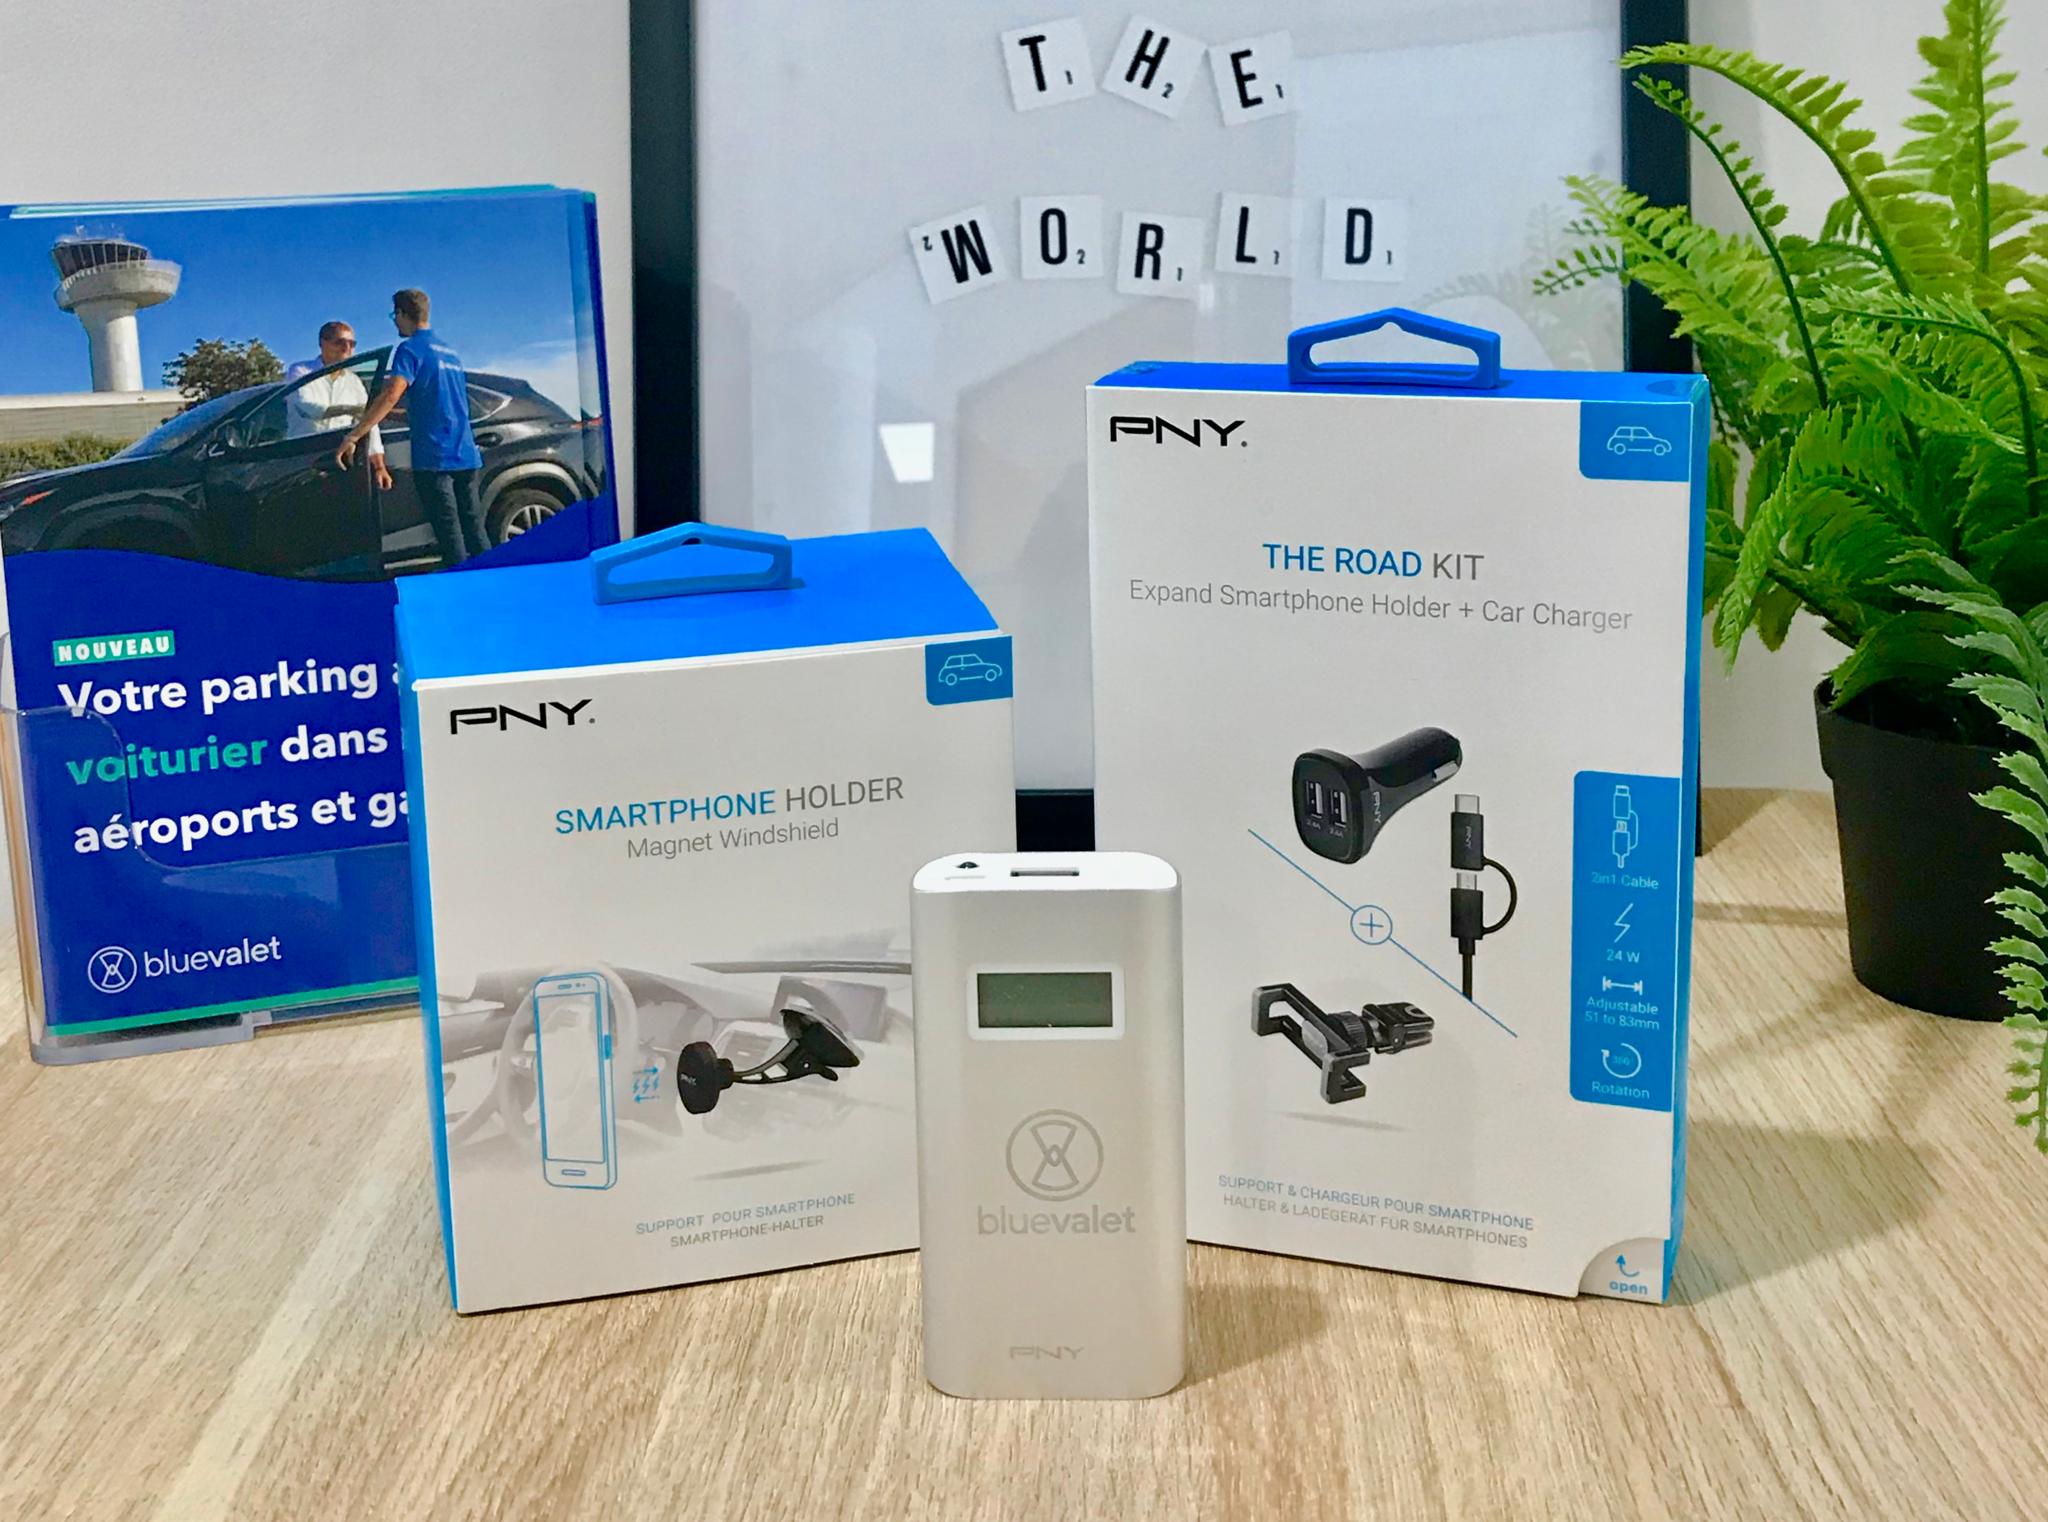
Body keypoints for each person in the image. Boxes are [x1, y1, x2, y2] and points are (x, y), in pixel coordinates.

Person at [337, 288, 488, 567]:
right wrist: (392, 416)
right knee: (474, 528)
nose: (394, 322)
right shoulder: (450, 353)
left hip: (436, 457)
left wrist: (355, 434)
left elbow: (391, 393)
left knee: (450, 534)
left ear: (402, 313)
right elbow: (438, 404)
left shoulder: (409, 349)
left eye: (394, 315)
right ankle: (493, 581)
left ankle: (462, 588)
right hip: (466, 453)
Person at [287, 320, 391, 491]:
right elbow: (308, 408)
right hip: (303, 460)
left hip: (341, 459)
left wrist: (379, 466)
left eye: (352, 344)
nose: (347, 348)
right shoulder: (300, 371)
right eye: (340, 342)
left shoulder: (354, 383)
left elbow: (370, 424)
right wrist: (352, 410)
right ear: (322, 343)